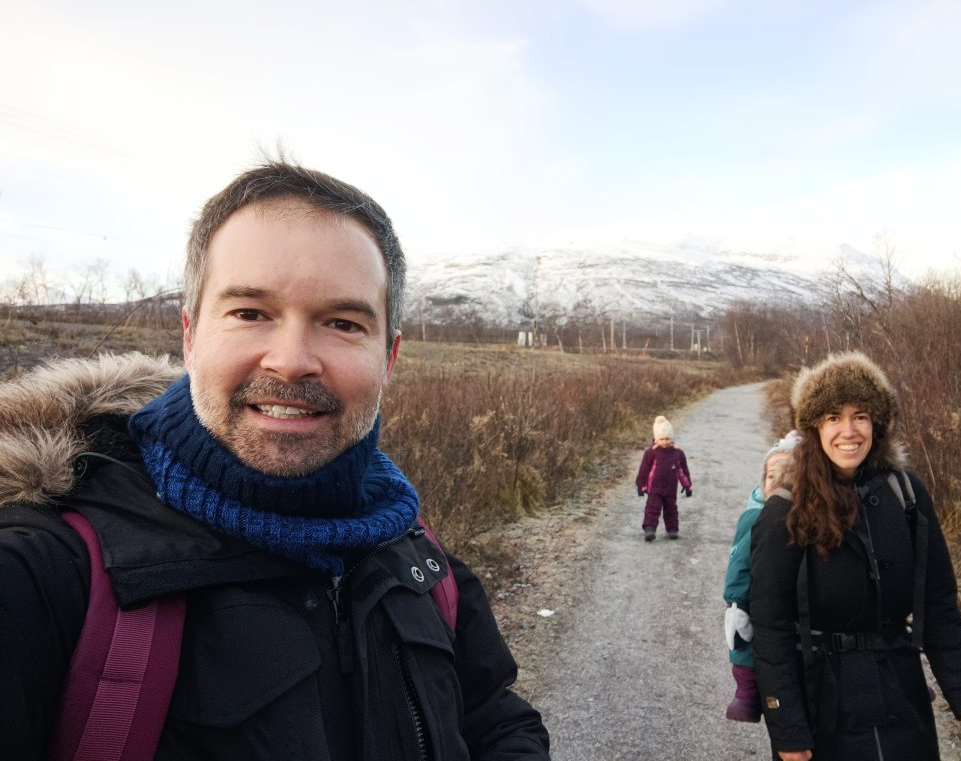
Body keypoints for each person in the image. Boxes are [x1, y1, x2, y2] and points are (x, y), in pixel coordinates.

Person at [0, 160, 551, 760]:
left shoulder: (413, 549)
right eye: (250, 313)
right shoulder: (48, 573)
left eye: (342, 323)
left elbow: (493, 718)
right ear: (189, 335)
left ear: (389, 358)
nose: (290, 362)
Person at [749, 351, 961, 761]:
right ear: (814, 426)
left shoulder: (906, 496)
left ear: (877, 423)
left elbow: (938, 606)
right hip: (823, 705)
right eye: (833, 417)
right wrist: (788, 730)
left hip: (902, 701)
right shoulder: (786, 508)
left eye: (861, 416)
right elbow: (770, 628)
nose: (848, 431)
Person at [722, 430, 800, 722]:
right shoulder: (754, 517)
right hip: (754, 596)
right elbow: (738, 562)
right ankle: (746, 694)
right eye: (771, 477)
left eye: (789, 476)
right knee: (745, 643)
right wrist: (736, 601)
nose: (779, 484)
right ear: (761, 482)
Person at [635, 414, 692, 541]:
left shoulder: (678, 454)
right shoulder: (651, 452)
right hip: (655, 487)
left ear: (672, 438)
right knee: (652, 508)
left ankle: (672, 529)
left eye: (667, 439)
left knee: (671, 509)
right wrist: (640, 484)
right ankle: (650, 528)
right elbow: (644, 469)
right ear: (656, 439)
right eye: (661, 439)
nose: (665, 442)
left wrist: (687, 485)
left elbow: (682, 471)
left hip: (671, 488)